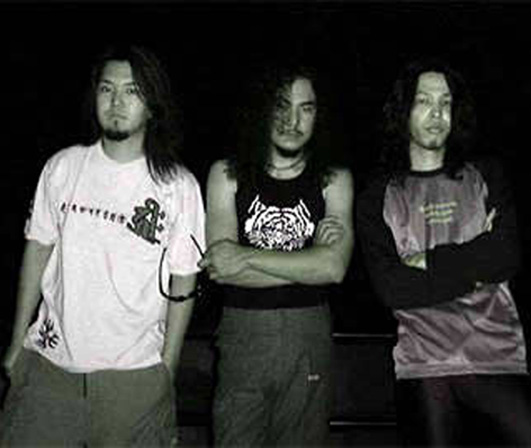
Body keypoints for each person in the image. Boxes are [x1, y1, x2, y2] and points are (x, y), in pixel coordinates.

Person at [0, 44, 205, 447]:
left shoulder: (177, 185)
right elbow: (37, 251)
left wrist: (167, 366)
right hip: (48, 367)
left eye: (132, 91)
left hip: (134, 377)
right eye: (107, 89)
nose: (116, 102)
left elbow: (184, 279)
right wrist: (15, 344)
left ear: (152, 105)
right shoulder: (63, 167)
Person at [357, 58, 531, 447]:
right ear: (404, 111)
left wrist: (428, 261)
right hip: (424, 369)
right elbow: (393, 289)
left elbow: (506, 256)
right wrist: (476, 261)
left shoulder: (486, 173)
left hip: (499, 357)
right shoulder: (379, 195)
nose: (436, 114)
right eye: (423, 101)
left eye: (445, 103)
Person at [200, 64, 354, 447]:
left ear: (319, 115)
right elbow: (221, 268)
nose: (292, 121)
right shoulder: (227, 173)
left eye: (306, 108)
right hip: (242, 333)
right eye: (282, 106)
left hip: (309, 335)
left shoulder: (334, 179)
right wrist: (308, 260)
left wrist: (245, 255)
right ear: (262, 109)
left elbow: (333, 268)